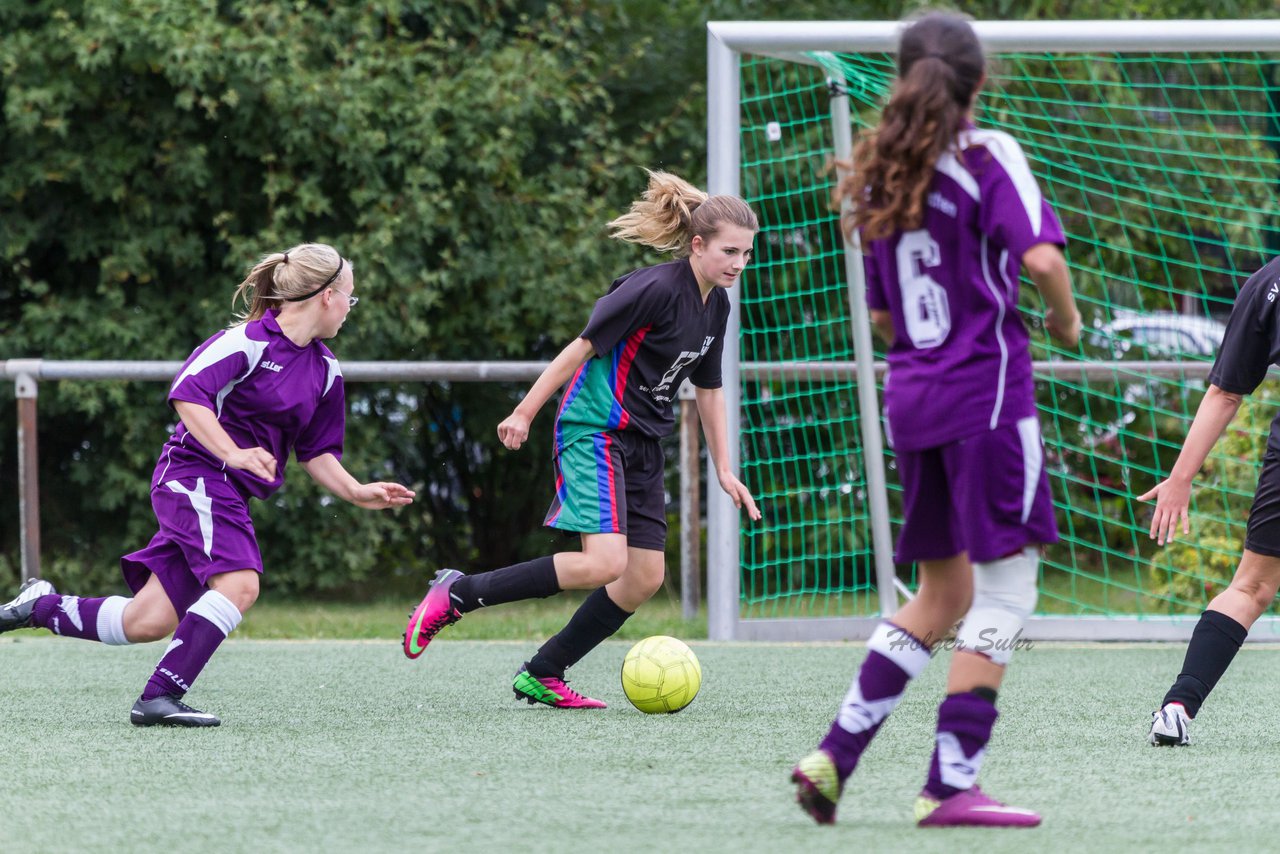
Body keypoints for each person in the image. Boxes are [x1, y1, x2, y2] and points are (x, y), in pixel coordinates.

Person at [789, 12, 1081, 828]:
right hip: (985, 397)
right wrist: (1063, 322)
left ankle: (835, 754)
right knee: (1008, 589)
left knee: (941, 591)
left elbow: (885, 321)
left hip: (912, 399)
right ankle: (951, 783)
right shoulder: (989, 155)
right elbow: (1043, 259)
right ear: (978, 82)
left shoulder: (881, 174)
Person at [0, 243, 415, 726]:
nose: (350, 309)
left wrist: (356, 490)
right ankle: (157, 698)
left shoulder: (326, 370)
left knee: (147, 621)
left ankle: (38, 606)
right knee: (240, 584)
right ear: (326, 296)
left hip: (225, 492)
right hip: (193, 477)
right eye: (350, 297)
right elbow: (187, 394)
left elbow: (316, 451)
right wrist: (232, 452)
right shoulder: (246, 341)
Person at [402, 170, 761, 708]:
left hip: (642, 443)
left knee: (642, 577)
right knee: (603, 564)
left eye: (747, 254)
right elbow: (581, 347)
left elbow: (708, 388)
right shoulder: (655, 288)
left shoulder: (717, 307)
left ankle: (543, 671)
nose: (738, 263)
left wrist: (725, 468)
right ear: (697, 244)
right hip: (595, 429)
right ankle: (459, 592)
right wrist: (524, 412)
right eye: (730, 251)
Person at [1142, 257, 1280, 746]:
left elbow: (1225, 393)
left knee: (1250, 588)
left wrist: (1180, 479)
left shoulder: (1270, 280)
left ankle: (1177, 708)